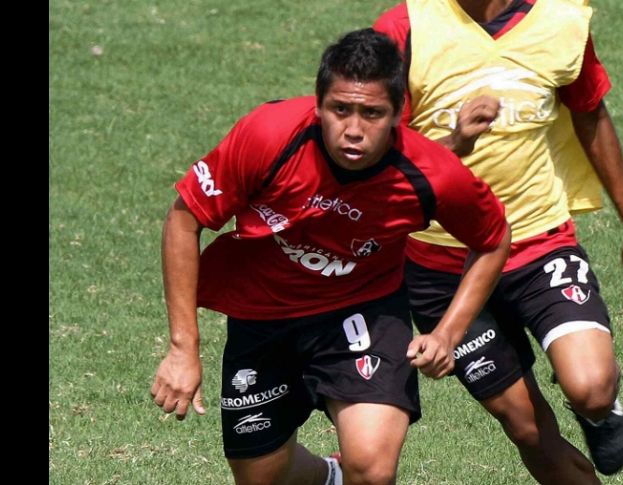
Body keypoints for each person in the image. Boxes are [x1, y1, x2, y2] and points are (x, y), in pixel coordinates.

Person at [150, 28, 511, 485]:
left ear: (400, 114)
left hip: (363, 311)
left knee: (372, 468)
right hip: (263, 317)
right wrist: (184, 347)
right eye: (341, 110)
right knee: (262, 476)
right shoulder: (268, 135)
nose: (354, 130)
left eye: (372, 113)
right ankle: (328, 478)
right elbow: (184, 219)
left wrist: (446, 333)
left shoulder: (431, 174)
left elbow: (494, 237)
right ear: (318, 103)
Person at [374, 0, 623, 480]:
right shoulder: (405, 27)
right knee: (530, 430)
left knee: (591, 387)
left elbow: (590, 113)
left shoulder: (563, 21)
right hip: (440, 265)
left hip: (539, 243)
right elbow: (372, 152)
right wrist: (452, 145)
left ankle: (599, 411)